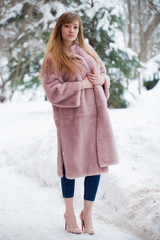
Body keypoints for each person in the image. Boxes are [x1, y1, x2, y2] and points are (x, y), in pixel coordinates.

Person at [40, 11, 118, 235]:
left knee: (96, 164)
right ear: (59, 28)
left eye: (75, 27)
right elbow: (52, 91)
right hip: (71, 120)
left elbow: (102, 72)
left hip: (96, 117)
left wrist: (102, 80)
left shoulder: (87, 49)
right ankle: (70, 213)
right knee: (70, 167)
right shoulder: (53, 56)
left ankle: (88, 213)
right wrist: (80, 86)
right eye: (67, 26)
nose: (71, 31)